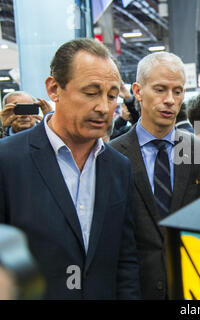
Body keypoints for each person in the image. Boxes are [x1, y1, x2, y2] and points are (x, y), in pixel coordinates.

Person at [0, 38, 140, 299]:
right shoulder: (8, 160)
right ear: (54, 89)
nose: (103, 107)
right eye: (90, 93)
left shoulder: (118, 166)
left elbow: (125, 260)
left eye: (111, 96)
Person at [110, 52, 200, 300]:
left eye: (178, 91)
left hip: (197, 290)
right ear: (138, 91)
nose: (170, 100)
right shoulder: (110, 158)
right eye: (160, 89)